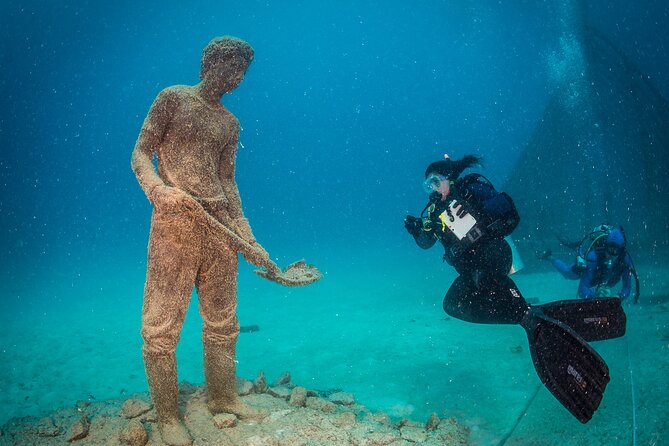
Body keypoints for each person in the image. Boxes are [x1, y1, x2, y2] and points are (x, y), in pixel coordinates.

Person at [131, 36, 319, 446]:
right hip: (174, 224)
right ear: (210, 63)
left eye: (243, 71)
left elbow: (228, 182)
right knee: (160, 326)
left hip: (219, 229)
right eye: (231, 67)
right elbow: (140, 153)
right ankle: (166, 416)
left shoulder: (230, 124)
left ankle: (223, 397)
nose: (237, 77)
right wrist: (158, 190)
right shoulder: (173, 99)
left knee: (222, 321)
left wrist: (247, 236)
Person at [404, 154, 627, 423]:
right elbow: (426, 242)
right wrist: (417, 230)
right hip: (471, 269)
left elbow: (508, 210)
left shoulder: (471, 187)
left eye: (435, 182)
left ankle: (528, 316)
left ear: (449, 179)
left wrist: (477, 214)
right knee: (452, 304)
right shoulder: (432, 211)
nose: (431, 189)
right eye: (426, 185)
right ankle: (527, 317)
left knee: (483, 279)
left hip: (493, 254)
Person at [539, 225, 637, 301]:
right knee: (568, 273)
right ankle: (550, 258)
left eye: (616, 251)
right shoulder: (593, 257)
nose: (612, 253)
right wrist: (595, 295)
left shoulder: (625, 260)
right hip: (591, 269)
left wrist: (619, 297)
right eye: (610, 249)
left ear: (621, 250)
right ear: (605, 246)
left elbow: (627, 287)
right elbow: (582, 289)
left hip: (602, 275)